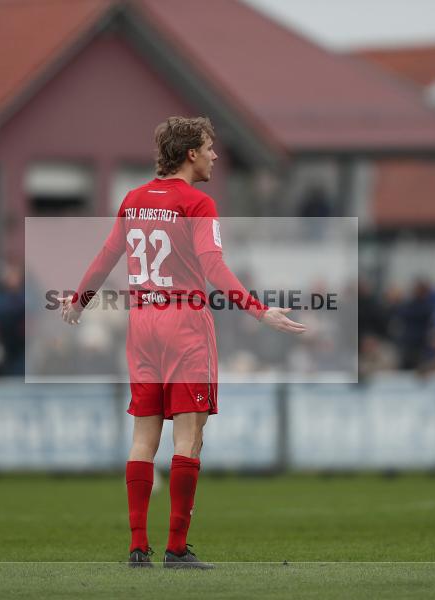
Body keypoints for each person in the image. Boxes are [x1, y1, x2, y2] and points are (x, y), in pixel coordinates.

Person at [58, 116, 306, 568]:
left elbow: (107, 255)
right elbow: (212, 267)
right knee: (188, 437)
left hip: (142, 322)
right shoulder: (198, 203)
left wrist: (79, 299)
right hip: (184, 322)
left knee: (142, 437)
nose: (215, 156)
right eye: (210, 148)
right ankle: (175, 548)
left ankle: (137, 547)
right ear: (190, 153)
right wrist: (258, 309)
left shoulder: (132, 200)